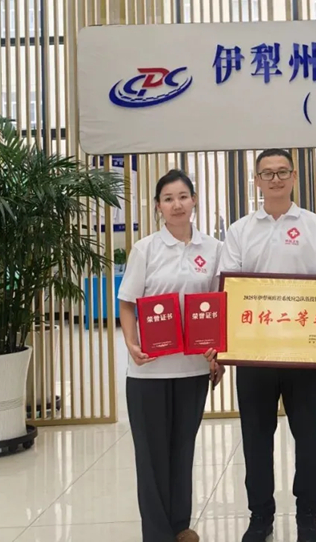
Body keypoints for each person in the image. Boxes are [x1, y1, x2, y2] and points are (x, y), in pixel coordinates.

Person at [216, 148, 316, 542]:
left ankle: (308, 515)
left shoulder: (314, 226)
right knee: (256, 439)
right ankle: (260, 516)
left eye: (283, 172)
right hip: (253, 355)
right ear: (257, 181)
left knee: (308, 436)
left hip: (304, 354)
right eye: (268, 173)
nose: (276, 179)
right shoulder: (240, 231)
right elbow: (229, 291)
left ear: (294, 177)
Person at [117, 169, 225, 542]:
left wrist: (217, 354)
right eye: (168, 198)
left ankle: (180, 526)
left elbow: (218, 305)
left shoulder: (213, 249)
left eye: (182, 196)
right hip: (149, 372)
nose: (176, 204)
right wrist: (131, 344)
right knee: (151, 458)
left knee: (182, 450)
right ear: (158, 206)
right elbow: (127, 303)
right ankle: (157, 534)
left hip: (193, 370)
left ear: (194, 200)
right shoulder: (146, 248)